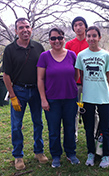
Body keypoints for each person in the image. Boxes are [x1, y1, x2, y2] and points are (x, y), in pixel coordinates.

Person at [2, 18, 48, 170]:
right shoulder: (9, 49)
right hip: (19, 91)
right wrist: (13, 96)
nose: (25, 30)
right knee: (16, 126)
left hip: (36, 90)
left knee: (38, 123)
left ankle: (39, 151)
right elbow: (6, 75)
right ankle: (18, 156)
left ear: (31, 29)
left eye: (27, 27)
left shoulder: (38, 47)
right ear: (16, 31)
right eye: (21, 27)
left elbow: (44, 70)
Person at [37, 27, 80, 168]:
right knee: (54, 130)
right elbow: (40, 79)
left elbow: (76, 75)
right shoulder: (44, 56)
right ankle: (56, 155)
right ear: (49, 40)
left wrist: (68, 86)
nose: (57, 41)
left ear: (64, 39)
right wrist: (43, 99)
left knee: (70, 128)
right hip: (52, 100)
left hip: (70, 98)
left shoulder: (72, 55)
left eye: (60, 38)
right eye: (53, 38)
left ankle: (70, 153)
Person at [75, 26, 109, 168]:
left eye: (94, 36)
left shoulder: (105, 55)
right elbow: (80, 75)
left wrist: (108, 91)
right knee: (88, 128)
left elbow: (107, 75)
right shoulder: (81, 55)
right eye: (89, 36)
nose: (91, 38)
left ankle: (107, 155)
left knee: (105, 128)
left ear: (99, 38)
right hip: (88, 98)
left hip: (103, 97)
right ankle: (91, 153)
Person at [65, 16, 89, 142]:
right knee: (74, 110)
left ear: (85, 26)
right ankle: (73, 136)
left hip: (90, 84)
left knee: (91, 110)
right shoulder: (69, 44)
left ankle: (93, 134)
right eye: (75, 25)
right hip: (74, 84)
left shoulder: (90, 42)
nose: (78, 27)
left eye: (80, 24)